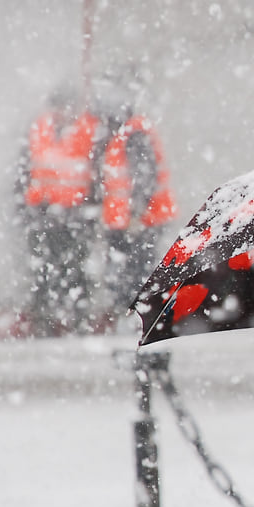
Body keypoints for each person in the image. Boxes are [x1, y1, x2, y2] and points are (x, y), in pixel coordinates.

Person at [16, 90, 98, 336]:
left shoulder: (88, 132)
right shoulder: (39, 130)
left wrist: (90, 211)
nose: (62, 113)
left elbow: (97, 174)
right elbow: (26, 171)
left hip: (76, 216)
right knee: (43, 271)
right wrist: (27, 209)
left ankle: (77, 321)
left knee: (76, 270)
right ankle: (44, 323)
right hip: (44, 214)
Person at [94, 99, 177, 321]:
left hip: (140, 223)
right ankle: (136, 320)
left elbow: (144, 177)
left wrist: (136, 215)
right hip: (132, 222)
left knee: (136, 276)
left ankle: (138, 322)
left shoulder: (133, 135)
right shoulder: (127, 134)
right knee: (134, 274)